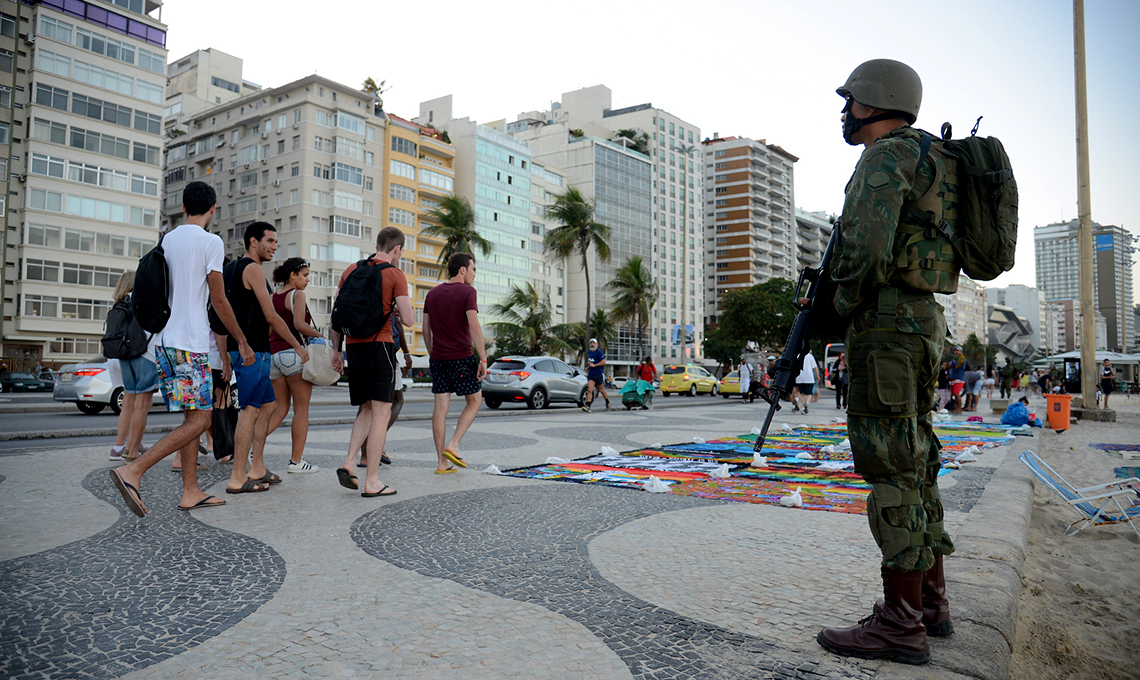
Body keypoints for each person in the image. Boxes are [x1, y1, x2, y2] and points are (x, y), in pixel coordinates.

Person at [817, 60, 955, 665]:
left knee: (891, 465)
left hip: (887, 326)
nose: (845, 111)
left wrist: (838, 307)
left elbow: (868, 249)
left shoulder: (883, 157)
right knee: (917, 455)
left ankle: (900, 624)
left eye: (851, 100)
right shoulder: (934, 158)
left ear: (876, 101)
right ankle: (929, 602)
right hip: (923, 322)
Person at [108, 181, 254, 516]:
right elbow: (218, 298)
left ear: (184, 207)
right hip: (190, 344)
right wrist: (241, 341)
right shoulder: (210, 242)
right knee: (201, 421)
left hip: (163, 342)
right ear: (213, 209)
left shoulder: (168, 240)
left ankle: (191, 490)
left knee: (193, 416)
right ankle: (133, 470)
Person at [224, 223, 310, 495]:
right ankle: (238, 477)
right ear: (253, 241)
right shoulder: (252, 269)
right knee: (249, 411)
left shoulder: (233, 269)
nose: (274, 246)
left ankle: (257, 467)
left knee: (269, 405)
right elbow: (271, 316)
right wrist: (298, 346)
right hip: (251, 352)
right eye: (270, 241)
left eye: (276, 242)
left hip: (258, 350)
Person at [330, 227, 413, 497]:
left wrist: (336, 351)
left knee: (366, 409)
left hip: (354, 349)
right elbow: (410, 320)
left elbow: (337, 313)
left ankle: (349, 463)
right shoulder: (394, 274)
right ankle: (373, 481)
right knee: (381, 412)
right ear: (397, 249)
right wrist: (396, 308)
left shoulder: (351, 269)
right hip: (381, 346)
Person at [422, 252, 487, 473]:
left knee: (440, 408)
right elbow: (475, 326)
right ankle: (454, 444)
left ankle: (442, 463)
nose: (474, 274)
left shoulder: (432, 294)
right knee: (475, 401)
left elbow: (425, 329)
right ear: (462, 270)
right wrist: (483, 358)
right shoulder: (468, 292)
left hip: (438, 359)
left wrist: (434, 354)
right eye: (472, 269)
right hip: (461, 357)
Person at [265, 257, 323, 474]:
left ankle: (251, 448)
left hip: (274, 356)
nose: (307, 280)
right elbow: (299, 324)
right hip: (294, 354)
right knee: (301, 410)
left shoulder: (274, 297)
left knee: (279, 409)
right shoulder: (297, 295)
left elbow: (270, 330)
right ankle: (296, 462)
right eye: (305, 275)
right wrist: (321, 336)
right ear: (293, 275)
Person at [108, 271, 156, 463]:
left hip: (124, 355)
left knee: (129, 400)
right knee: (143, 403)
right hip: (143, 354)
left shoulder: (119, 305)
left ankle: (118, 447)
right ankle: (132, 446)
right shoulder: (141, 302)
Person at [359, 310, 413, 469]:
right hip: (386, 351)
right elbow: (399, 323)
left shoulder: (355, 286)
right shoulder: (388, 289)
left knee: (365, 405)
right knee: (397, 399)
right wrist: (407, 353)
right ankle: (374, 440)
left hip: (360, 349)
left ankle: (364, 457)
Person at [582, 338, 610, 412]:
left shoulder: (599, 353)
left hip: (598, 374)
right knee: (589, 390)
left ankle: (607, 401)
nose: (592, 344)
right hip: (591, 374)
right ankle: (588, 405)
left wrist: (595, 365)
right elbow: (591, 363)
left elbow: (603, 362)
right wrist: (588, 367)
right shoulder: (589, 353)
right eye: (591, 343)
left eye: (593, 343)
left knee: (601, 389)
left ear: (596, 344)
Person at [948, 346, 967, 414]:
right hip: (953, 377)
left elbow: (956, 365)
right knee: (954, 394)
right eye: (955, 350)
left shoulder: (961, 358)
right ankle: (957, 408)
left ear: (961, 351)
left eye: (957, 350)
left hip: (959, 378)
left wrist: (952, 364)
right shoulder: (954, 358)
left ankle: (959, 408)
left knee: (957, 393)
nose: (956, 352)